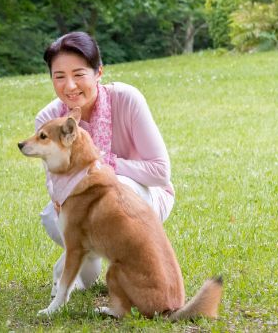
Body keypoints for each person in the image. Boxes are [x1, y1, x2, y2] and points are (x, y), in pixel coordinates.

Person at [35, 31, 174, 294]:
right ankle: (83, 263)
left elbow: (160, 172)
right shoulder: (50, 118)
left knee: (114, 188)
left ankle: (74, 270)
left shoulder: (126, 98)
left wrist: (102, 164)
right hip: (85, 202)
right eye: (59, 76)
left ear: (99, 72)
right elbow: (55, 185)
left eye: (79, 74)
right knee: (54, 216)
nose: (70, 86)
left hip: (142, 197)